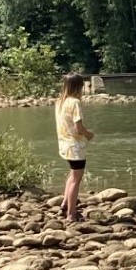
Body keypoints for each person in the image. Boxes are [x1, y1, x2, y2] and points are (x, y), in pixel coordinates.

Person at [55, 72, 94, 222]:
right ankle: (71, 214)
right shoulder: (75, 103)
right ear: (78, 87)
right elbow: (79, 127)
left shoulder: (60, 101)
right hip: (75, 146)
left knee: (72, 176)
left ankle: (64, 205)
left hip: (64, 144)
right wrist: (88, 134)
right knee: (76, 180)